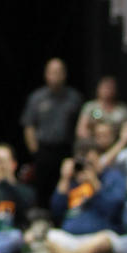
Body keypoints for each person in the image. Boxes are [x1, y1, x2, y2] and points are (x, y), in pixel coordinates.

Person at [21, 57, 84, 207]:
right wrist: (35, 151)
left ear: (65, 74)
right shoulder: (37, 98)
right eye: (52, 72)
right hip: (44, 150)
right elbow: (28, 126)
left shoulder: (75, 98)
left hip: (66, 150)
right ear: (46, 74)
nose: (55, 76)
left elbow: (80, 126)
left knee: (66, 187)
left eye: (59, 72)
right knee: (42, 190)